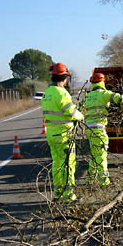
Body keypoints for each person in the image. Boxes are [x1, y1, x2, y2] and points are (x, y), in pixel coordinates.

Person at [42, 63, 85, 203]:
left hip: (52, 135)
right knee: (68, 164)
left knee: (57, 164)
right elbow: (70, 112)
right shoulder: (61, 92)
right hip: (64, 135)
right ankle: (69, 197)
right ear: (65, 78)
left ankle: (58, 193)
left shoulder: (47, 93)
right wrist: (80, 116)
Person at [84, 72, 123, 186]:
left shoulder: (88, 96)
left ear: (92, 83)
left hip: (89, 129)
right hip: (99, 128)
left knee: (94, 153)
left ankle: (91, 179)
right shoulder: (104, 93)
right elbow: (119, 98)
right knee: (101, 155)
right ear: (103, 82)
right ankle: (104, 182)